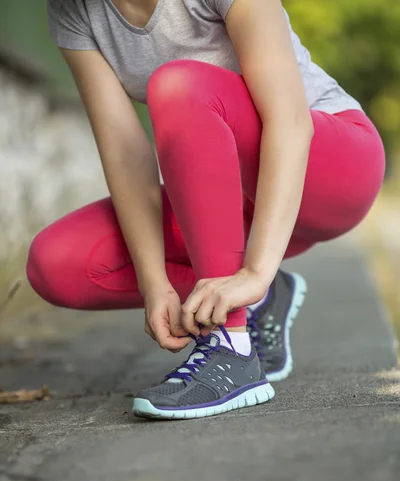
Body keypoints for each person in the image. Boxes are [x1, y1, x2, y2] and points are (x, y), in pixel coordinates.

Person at [27, 0, 385, 419]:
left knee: (177, 85)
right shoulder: (73, 10)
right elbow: (126, 154)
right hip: (232, 201)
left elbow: (290, 120)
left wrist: (255, 271)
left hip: (329, 166)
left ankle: (231, 347)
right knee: (58, 262)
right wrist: (153, 283)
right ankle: (261, 304)